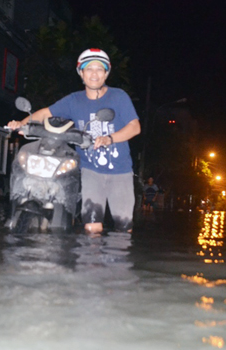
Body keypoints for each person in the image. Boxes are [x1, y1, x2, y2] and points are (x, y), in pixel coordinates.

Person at [8, 48, 140, 233]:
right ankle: (91, 260)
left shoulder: (118, 97)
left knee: (124, 226)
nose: (94, 74)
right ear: (81, 73)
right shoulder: (74, 100)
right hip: (90, 171)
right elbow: (46, 112)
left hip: (121, 171)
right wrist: (21, 124)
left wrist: (110, 138)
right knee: (92, 225)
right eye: (89, 69)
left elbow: (135, 127)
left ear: (106, 73)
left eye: (99, 69)